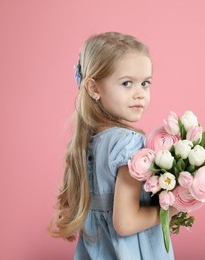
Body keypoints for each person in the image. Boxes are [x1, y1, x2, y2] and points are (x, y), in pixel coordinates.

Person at [49, 32, 177, 259]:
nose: (140, 94)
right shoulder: (128, 143)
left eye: (145, 83)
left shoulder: (87, 142)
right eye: (127, 83)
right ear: (94, 88)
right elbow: (125, 223)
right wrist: (171, 210)